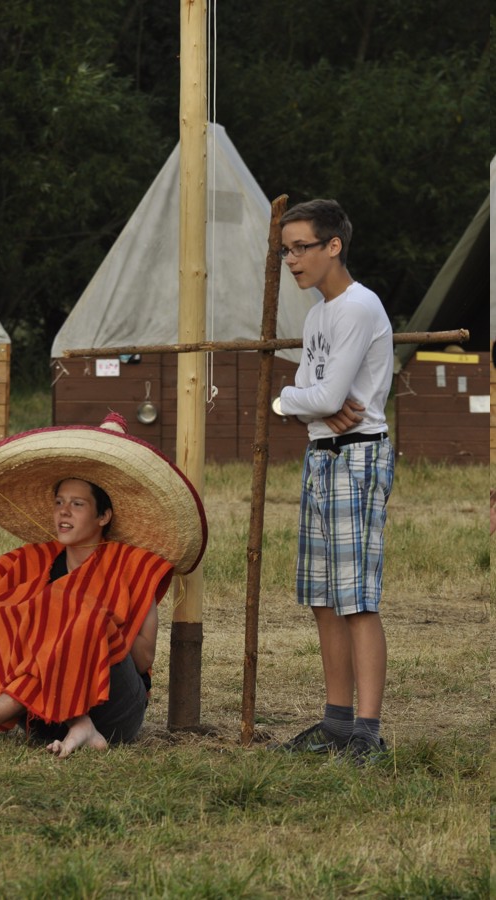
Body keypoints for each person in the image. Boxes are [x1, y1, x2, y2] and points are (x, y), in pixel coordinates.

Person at [0, 413, 207, 758]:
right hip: (42, 714)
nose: (64, 512)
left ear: (103, 516)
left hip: (114, 709)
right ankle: (79, 724)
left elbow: (142, 658)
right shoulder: (33, 559)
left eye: (77, 504)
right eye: (59, 502)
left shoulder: (133, 565)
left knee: (71, 609)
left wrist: (92, 623)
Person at [271, 198, 394, 765]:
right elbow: (313, 397)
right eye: (286, 250)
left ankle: (368, 731)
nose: (292, 260)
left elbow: (318, 396)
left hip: (358, 455)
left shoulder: (358, 306)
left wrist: (297, 401)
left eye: (301, 248)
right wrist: (304, 404)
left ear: (333, 245)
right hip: (321, 455)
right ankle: (336, 721)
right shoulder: (317, 315)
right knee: (323, 597)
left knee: (356, 599)